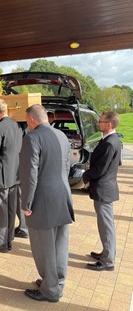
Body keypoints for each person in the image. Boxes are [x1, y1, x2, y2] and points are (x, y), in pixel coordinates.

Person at [19, 104, 74, 303]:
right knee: (60, 244)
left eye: (27, 121)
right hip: (62, 195)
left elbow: (29, 175)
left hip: (42, 200)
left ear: (32, 120)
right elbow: (67, 165)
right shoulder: (61, 135)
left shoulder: (32, 138)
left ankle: (50, 290)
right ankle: (55, 281)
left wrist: (26, 204)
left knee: (44, 247)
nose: (27, 125)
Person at [83, 111, 121, 271]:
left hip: (103, 189)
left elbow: (100, 168)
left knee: (106, 225)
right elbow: (117, 162)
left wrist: (85, 175)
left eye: (101, 121)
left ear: (109, 124)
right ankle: (107, 252)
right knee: (105, 224)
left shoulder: (110, 143)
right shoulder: (112, 140)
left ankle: (108, 260)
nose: (98, 123)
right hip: (106, 187)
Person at [0, 99, 23, 252]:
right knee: (11, 208)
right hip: (15, 172)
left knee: (1, 209)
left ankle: (1, 242)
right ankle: (9, 239)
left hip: (2, 174)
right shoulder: (16, 125)